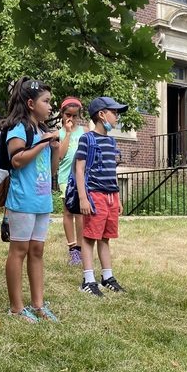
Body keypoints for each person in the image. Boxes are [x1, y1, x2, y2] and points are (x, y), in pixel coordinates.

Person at [3, 77, 60, 323]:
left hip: (42, 201)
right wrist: (43, 142)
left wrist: (54, 147)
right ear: (30, 103)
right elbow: (16, 159)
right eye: (46, 101)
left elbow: (53, 170)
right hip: (23, 200)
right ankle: (16, 307)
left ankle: (38, 304)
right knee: (19, 251)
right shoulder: (19, 128)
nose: (50, 106)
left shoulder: (42, 131)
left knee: (37, 250)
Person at [75, 97, 127, 297]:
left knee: (105, 237)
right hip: (94, 195)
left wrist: (117, 196)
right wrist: (83, 198)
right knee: (89, 237)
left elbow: (112, 169)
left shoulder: (111, 141)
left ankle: (107, 277)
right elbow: (79, 170)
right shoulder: (87, 139)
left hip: (111, 196)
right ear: (102, 115)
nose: (117, 118)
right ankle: (88, 280)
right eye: (114, 113)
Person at [55, 97, 88, 266]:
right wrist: (67, 132)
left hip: (81, 177)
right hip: (65, 178)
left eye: (75, 116)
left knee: (80, 213)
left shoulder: (85, 131)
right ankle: (72, 248)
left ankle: (81, 248)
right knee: (68, 212)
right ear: (62, 114)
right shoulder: (58, 134)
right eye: (68, 115)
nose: (71, 119)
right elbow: (60, 155)